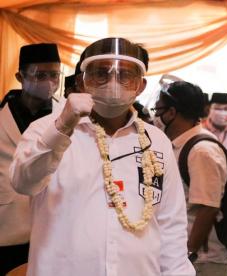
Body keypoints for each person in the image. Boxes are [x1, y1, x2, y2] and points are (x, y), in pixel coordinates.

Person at [9, 37, 194, 276]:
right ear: (81, 82)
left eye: (125, 75)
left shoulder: (156, 141)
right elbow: (23, 182)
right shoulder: (46, 129)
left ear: (140, 86)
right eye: (101, 73)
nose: (113, 83)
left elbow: (171, 225)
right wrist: (62, 128)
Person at [153, 81, 227, 276]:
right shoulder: (176, 145)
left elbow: (208, 207)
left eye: (158, 109)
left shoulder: (201, 150)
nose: (155, 116)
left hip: (202, 261)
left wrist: (187, 253)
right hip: (180, 258)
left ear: (171, 113)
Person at [0, 43, 62, 275]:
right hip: (8, 229)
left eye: (54, 75)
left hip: (53, 226)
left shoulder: (67, 117)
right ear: (20, 76)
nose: (49, 81)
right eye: (40, 75)